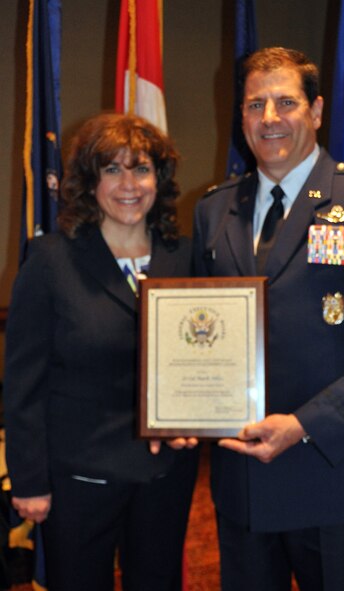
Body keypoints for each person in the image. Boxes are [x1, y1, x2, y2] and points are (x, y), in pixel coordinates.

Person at [193, 47, 344, 591]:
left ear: (317, 111)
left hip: (333, 469)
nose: (269, 118)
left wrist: (304, 426)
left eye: (286, 102)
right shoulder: (213, 210)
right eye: (255, 105)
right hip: (243, 473)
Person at [4, 112, 199, 591]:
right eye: (112, 169)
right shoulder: (51, 259)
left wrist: (195, 420)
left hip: (165, 472)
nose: (128, 184)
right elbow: (23, 383)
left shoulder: (187, 257)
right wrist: (29, 480)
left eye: (142, 168)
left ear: (160, 179)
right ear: (89, 183)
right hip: (80, 478)